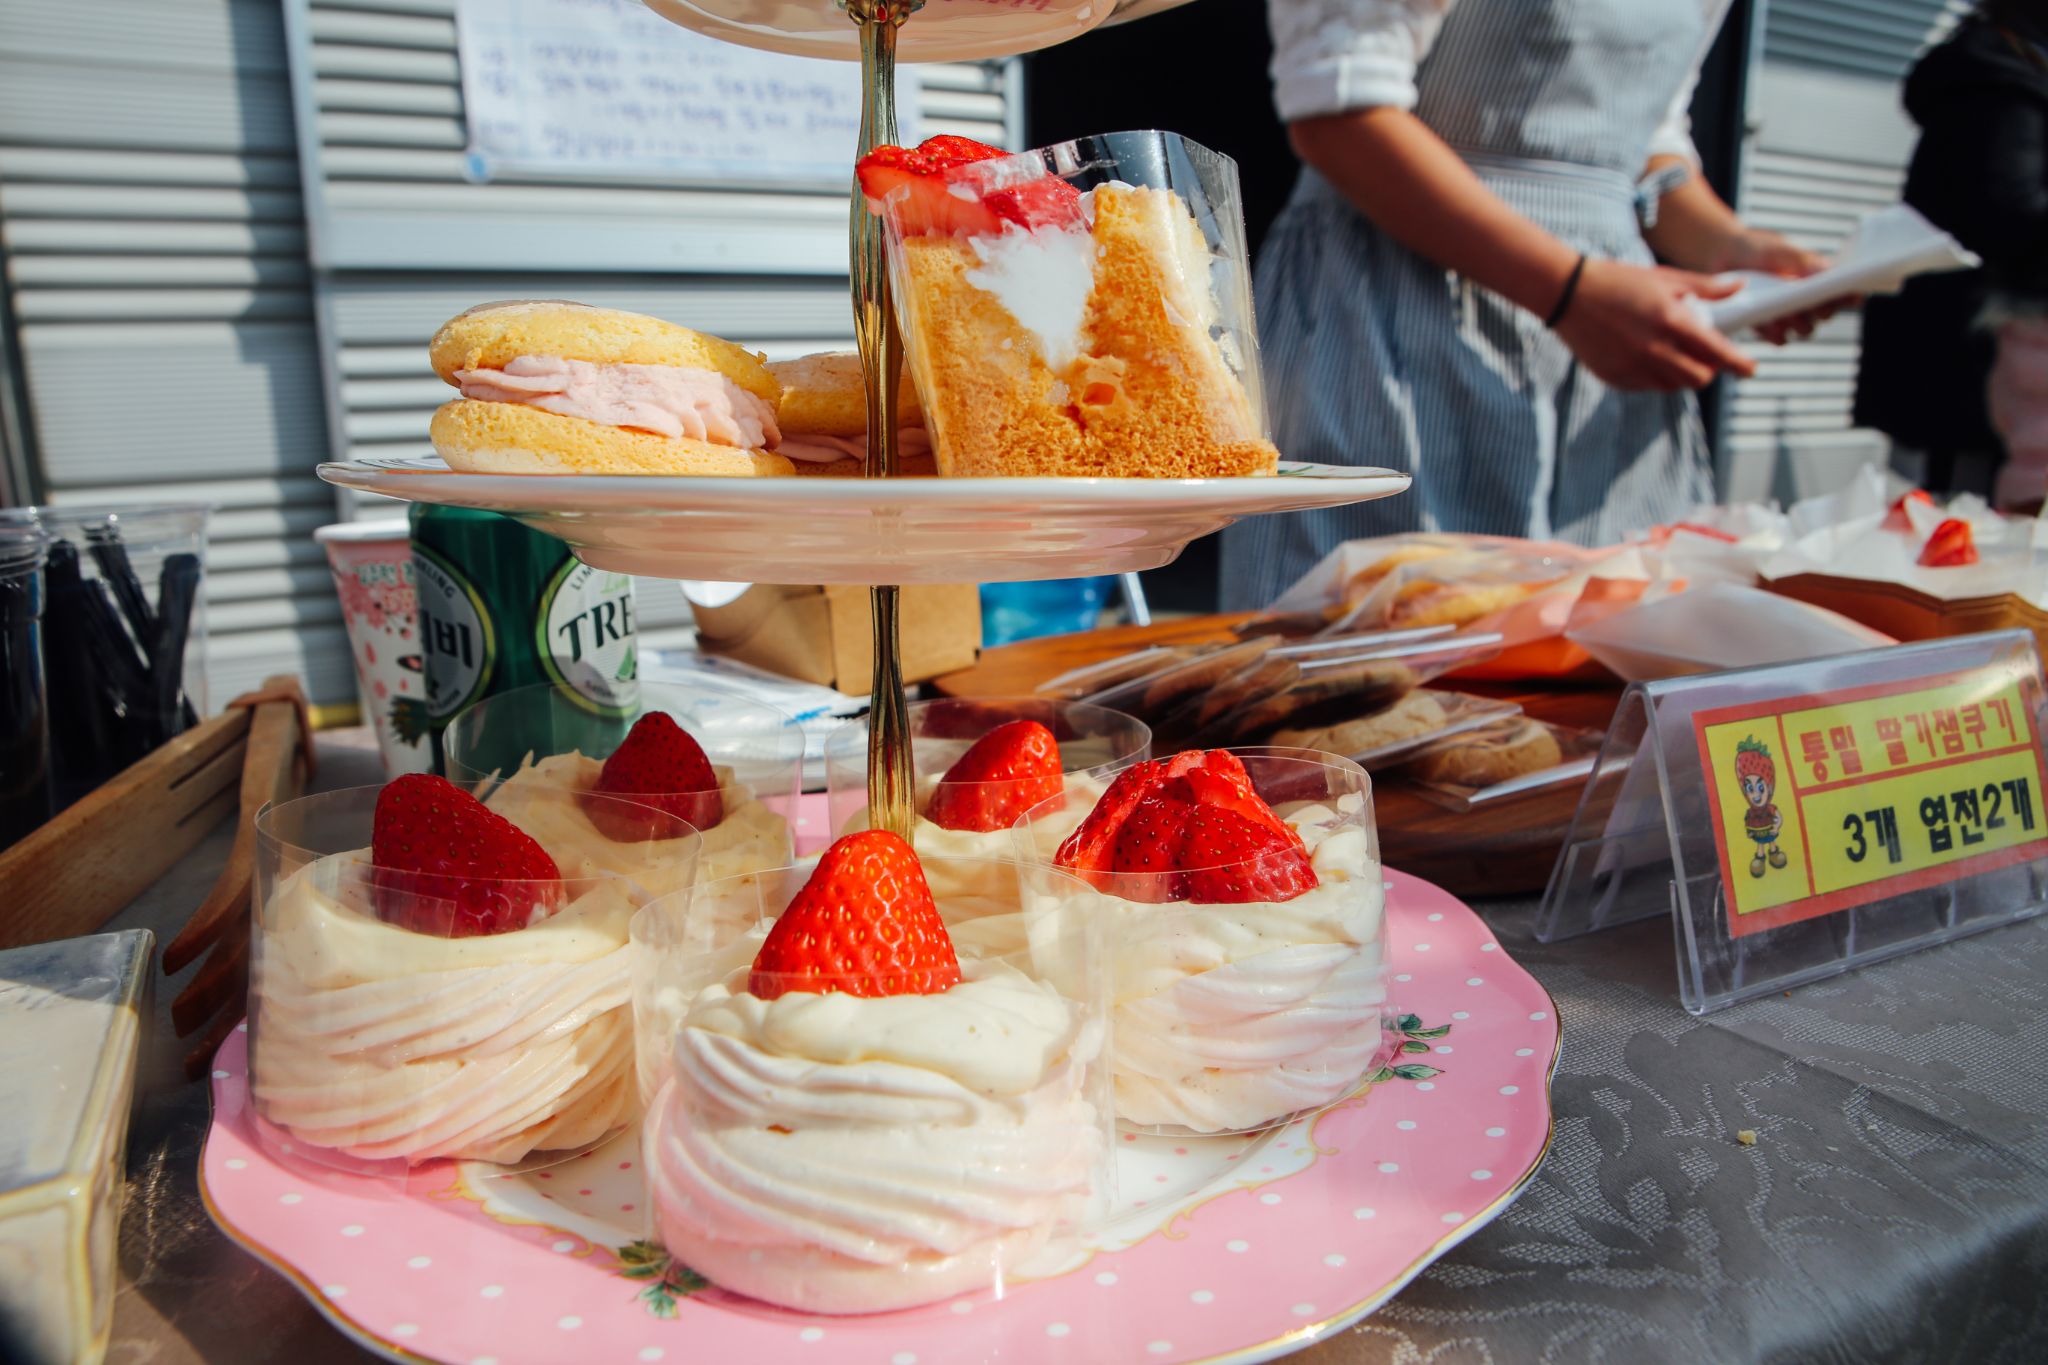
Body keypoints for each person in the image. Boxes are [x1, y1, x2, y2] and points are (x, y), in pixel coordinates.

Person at [1220, 0, 1836, 609]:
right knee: (1373, 636)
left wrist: (1729, 247)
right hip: (1400, 305)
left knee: (1610, 636)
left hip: (1607, 334)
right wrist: (1568, 290)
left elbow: (1649, 141)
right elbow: (1341, 111)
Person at [1854, 1, 2048, 509]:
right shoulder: (2001, 82)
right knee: (1950, 537)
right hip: (1968, 364)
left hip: (1978, 365)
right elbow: (2009, 212)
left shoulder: (2004, 69)